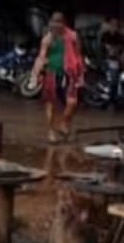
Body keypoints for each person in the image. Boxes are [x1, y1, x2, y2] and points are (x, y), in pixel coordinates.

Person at [30, 12, 84, 144]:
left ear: (63, 24)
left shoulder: (72, 36)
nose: (56, 25)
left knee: (72, 102)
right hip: (52, 73)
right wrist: (35, 75)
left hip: (69, 73)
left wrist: (81, 74)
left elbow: (79, 55)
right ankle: (51, 132)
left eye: (59, 22)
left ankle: (63, 123)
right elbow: (41, 57)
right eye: (54, 22)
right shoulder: (47, 39)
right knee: (51, 105)